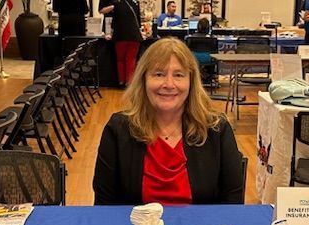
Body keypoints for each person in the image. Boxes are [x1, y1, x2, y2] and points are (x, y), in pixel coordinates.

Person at [93, 37, 243, 205]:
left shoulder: (217, 130)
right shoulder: (118, 130)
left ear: (191, 82)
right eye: (159, 74)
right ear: (143, 80)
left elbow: (233, 204)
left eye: (179, 75)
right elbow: (104, 207)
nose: (169, 84)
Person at [99, 0, 142, 87]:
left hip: (120, 36)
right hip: (134, 36)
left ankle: (121, 81)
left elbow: (113, 22)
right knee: (131, 59)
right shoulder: (135, 3)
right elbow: (138, 22)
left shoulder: (116, 5)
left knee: (120, 60)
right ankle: (129, 82)